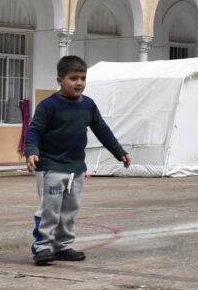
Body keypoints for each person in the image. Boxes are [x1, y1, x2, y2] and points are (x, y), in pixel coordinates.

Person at [25, 55, 131, 265]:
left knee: (70, 209)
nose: (79, 83)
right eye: (73, 78)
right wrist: (31, 151)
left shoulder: (88, 105)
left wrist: (119, 152)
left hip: (76, 169)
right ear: (59, 80)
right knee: (50, 209)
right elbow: (34, 130)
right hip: (51, 167)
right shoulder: (48, 106)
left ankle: (63, 246)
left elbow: (102, 130)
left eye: (83, 78)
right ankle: (42, 247)